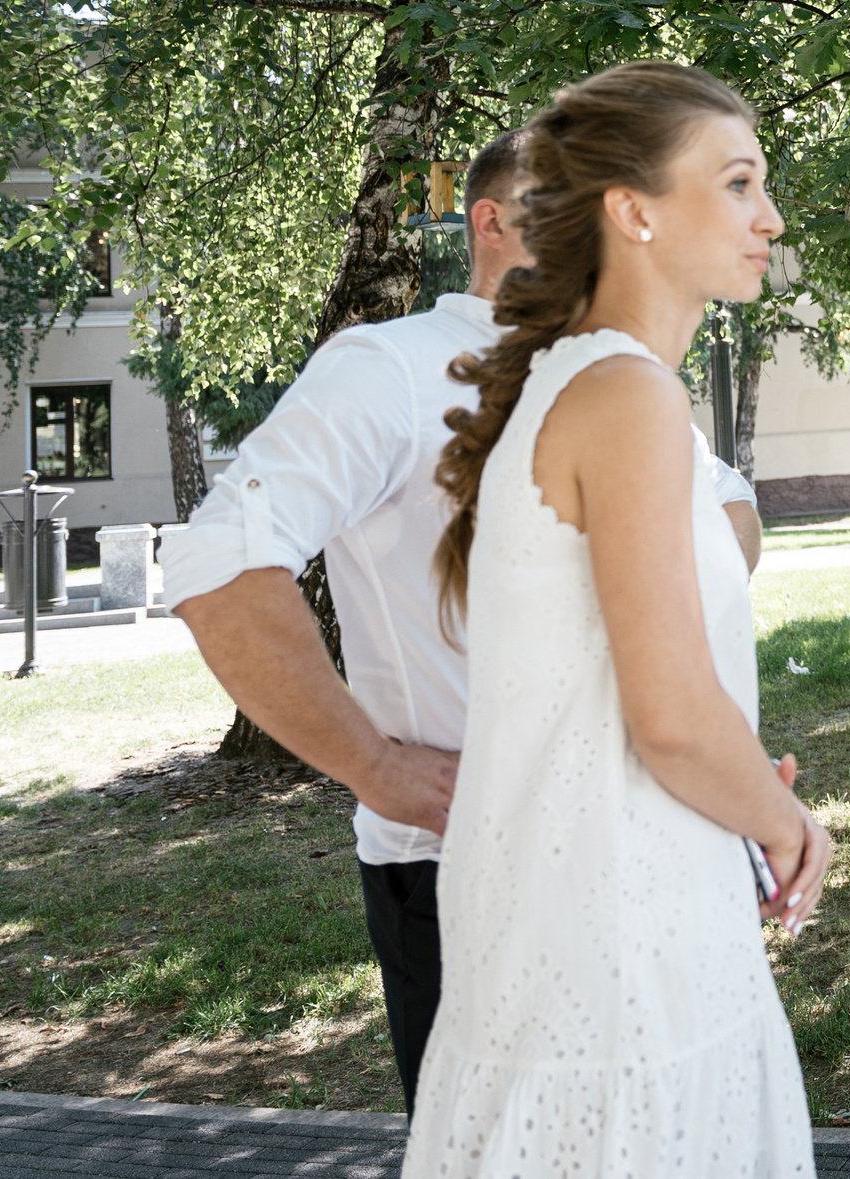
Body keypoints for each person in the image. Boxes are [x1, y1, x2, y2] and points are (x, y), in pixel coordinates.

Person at [163, 130, 760, 1110]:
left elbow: (731, 506)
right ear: (493, 222)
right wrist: (375, 767)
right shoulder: (392, 370)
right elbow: (215, 564)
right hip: (482, 870)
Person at [404, 60, 826, 1178]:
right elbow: (672, 718)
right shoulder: (624, 394)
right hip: (617, 930)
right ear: (631, 211)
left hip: (615, 896)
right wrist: (791, 831)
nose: (769, 218)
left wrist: (741, 781)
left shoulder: (601, 386)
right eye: (737, 183)